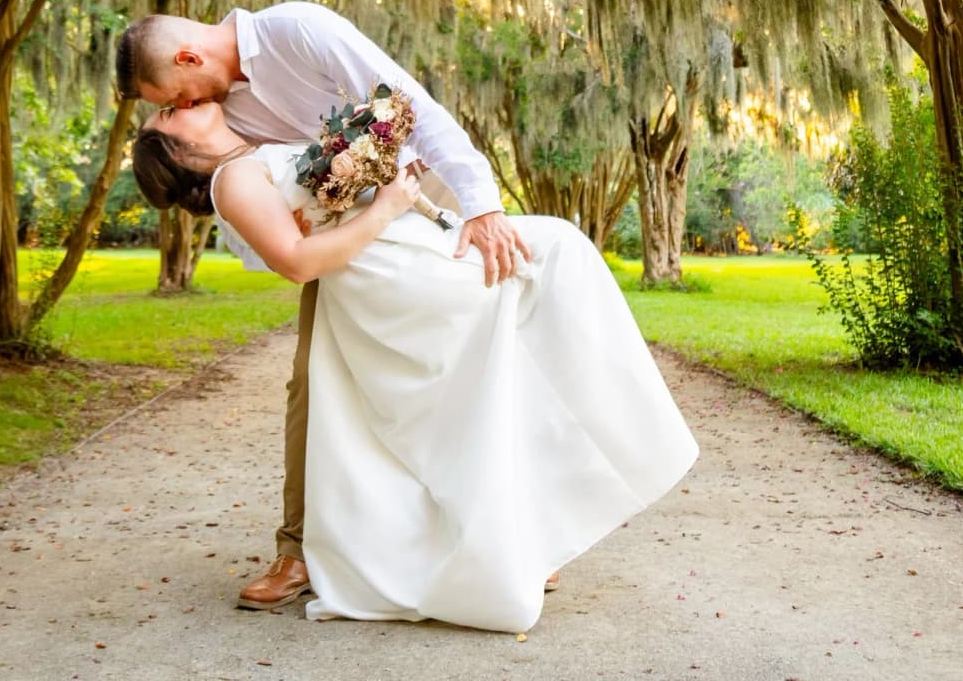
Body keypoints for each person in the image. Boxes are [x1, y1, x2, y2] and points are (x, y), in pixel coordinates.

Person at [128, 96, 699, 634]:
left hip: (393, 245)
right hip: (383, 265)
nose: (174, 106)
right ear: (176, 153)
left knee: (498, 350)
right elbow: (298, 262)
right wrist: (388, 206)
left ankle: (526, 527)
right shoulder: (232, 180)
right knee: (551, 254)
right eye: (166, 117)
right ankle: (617, 439)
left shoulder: (250, 150)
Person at [114, 2, 533, 611]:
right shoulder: (215, 115)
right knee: (315, 382)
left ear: (187, 59)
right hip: (340, 242)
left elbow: (408, 104)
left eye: (171, 97)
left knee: (471, 364)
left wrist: (481, 204)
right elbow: (256, 199)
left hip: (420, 198)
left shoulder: (299, 31)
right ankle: (300, 550)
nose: (175, 110)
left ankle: (511, 539)